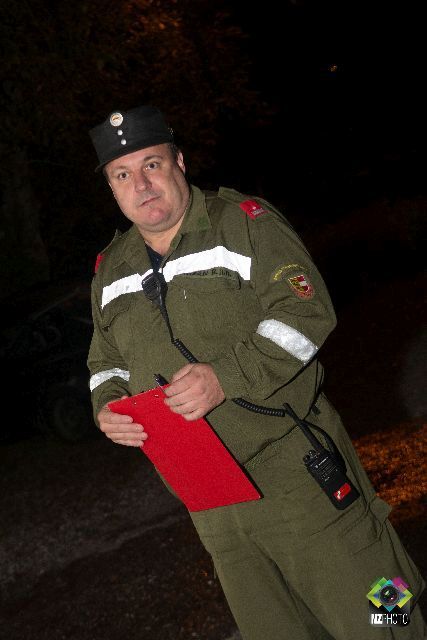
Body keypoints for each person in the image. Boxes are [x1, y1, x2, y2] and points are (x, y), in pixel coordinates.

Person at [87, 105, 426, 639]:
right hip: (209, 497)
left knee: (384, 617)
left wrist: (226, 376)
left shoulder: (243, 223)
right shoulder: (111, 269)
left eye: (151, 164)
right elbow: (104, 361)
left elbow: (306, 313)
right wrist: (107, 405)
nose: (141, 185)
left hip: (298, 472)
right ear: (111, 187)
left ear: (179, 162)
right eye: (122, 175)